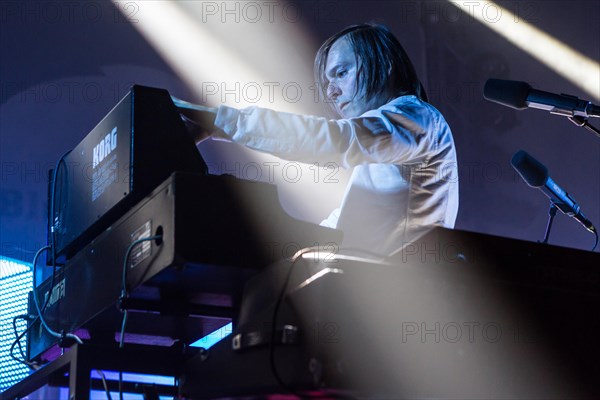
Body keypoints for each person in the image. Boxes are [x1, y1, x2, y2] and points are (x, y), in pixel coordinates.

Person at [176, 23, 459, 256]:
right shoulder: (387, 145)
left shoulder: (416, 117)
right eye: (327, 83)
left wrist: (220, 121)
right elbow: (341, 232)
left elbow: (332, 141)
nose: (332, 92)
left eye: (341, 73)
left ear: (384, 66)